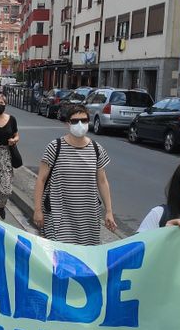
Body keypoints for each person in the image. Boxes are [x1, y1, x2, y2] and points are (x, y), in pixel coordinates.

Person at [33, 104, 117, 245]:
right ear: (67, 124)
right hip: (58, 216)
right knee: (59, 259)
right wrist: (37, 209)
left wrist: (109, 211)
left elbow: (102, 182)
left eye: (84, 120)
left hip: (87, 218)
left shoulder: (97, 149)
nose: (80, 124)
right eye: (75, 121)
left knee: (84, 259)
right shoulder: (55, 147)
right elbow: (41, 180)